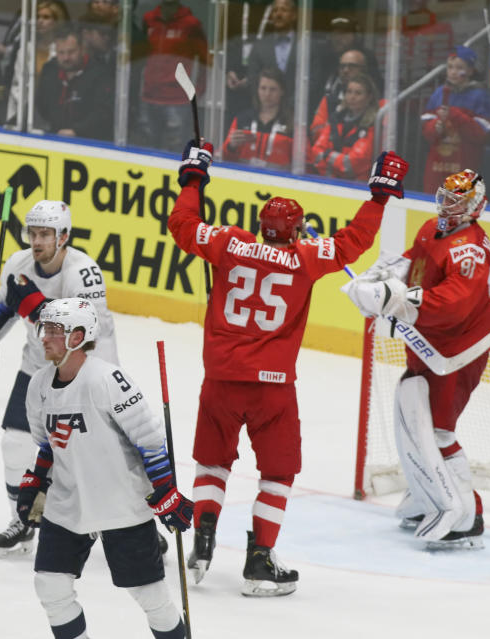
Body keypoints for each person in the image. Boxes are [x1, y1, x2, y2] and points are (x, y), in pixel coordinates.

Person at [169, 139, 409, 595]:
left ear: (261, 227)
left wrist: (193, 177)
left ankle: (203, 538)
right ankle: (259, 560)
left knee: (212, 463)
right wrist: (379, 195)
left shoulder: (231, 244)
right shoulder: (305, 257)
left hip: (220, 380)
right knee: (277, 474)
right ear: (297, 231)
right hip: (272, 390)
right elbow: (353, 243)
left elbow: (183, 225)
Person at [341, 169, 490, 549]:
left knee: (439, 430)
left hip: (457, 350)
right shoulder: (431, 228)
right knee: (415, 420)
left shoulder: (471, 249)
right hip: (426, 340)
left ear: (475, 206)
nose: (447, 204)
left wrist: (394, 300)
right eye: (444, 196)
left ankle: (467, 514)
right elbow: (414, 263)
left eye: (457, 200)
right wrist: (380, 276)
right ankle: (428, 493)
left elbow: (453, 304)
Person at [21, 298, 191, 638]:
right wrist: (34, 482)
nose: (44, 337)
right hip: (68, 503)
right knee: (50, 587)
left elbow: (151, 440)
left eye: (54, 330)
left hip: (120, 503)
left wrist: (166, 492)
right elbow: (48, 446)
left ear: (78, 336)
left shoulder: (107, 379)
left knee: (151, 596)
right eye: (44, 329)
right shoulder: (38, 385)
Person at [0, 200, 120, 556]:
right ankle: (22, 519)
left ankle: (132, 524)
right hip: (38, 366)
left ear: (63, 236)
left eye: (45, 234)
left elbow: (87, 334)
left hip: (88, 372)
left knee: (95, 458)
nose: (37, 241)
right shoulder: (19, 264)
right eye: (32, 233)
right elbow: (6, 306)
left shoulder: (84, 272)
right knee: (16, 443)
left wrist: (35, 305)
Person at [420, 45, 490, 193]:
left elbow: (481, 134)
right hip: (436, 165)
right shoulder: (439, 93)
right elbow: (426, 129)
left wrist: (454, 115)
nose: (453, 72)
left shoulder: (480, 95)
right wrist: (436, 126)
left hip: (465, 164)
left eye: (459, 67)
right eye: (450, 67)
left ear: (471, 71)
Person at [138, 0, 209, 152]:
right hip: (149, 96)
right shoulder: (149, 19)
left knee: (176, 151)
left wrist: (198, 90)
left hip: (177, 100)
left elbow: (204, 60)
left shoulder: (191, 24)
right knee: (147, 150)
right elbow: (142, 54)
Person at [36, 24, 113, 140]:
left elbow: (104, 112)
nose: (66, 58)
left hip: (90, 141)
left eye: (71, 52)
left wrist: (77, 130)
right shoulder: (50, 70)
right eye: (61, 53)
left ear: (82, 49)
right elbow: (40, 104)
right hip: (54, 138)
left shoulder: (100, 74)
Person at [6, 0, 70, 125]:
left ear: (57, 21)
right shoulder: (26, 48)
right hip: (24, 113)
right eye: (37, 17)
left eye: (46, 17)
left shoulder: (63, 50)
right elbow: (17, 84)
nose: (40, 21)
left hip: (53, 114)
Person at [308, 73, 379, 182]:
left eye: (358, 93)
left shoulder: (372, 125)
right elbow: (315, 153)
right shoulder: (336, 118)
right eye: (349, 92)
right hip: (327, 183)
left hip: (358, 188)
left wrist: (326, 154)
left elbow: (351, 165)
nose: (352, 97)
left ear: (369, 97)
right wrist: (337, 161)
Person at [221, 66, 293, 171]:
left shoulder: (292, 124)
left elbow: (304, 165)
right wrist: (231, 146)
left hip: (280, 184)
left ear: (282, 91)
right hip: (242, 180)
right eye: (263, 88)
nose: (267, 94)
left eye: (273, 89)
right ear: (257, 90)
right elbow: (223, 159)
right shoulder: (242, 119)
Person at [310, 47, 374, 143]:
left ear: (364, 69)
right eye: (342, 67)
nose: (345, 70)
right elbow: (315, 132)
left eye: (351, 66)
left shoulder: (376, 98)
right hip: (329, 149)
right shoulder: (329, 99)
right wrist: (334, 125)